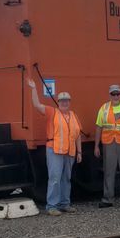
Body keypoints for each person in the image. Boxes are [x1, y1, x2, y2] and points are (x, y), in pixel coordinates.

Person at [27, 78, 82, 216]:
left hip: (70, 152)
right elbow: (37, 105)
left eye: (67, 100)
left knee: (66, 179)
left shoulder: (73, 115)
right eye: (62, 101)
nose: (64, 103)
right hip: (55, 151)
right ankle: (51, 206)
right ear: (58, 102)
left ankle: (65, 204)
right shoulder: (52, 112)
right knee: (55, 178)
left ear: (69, 102)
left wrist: (79, 152)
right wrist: (33, 88)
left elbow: (78, 135)